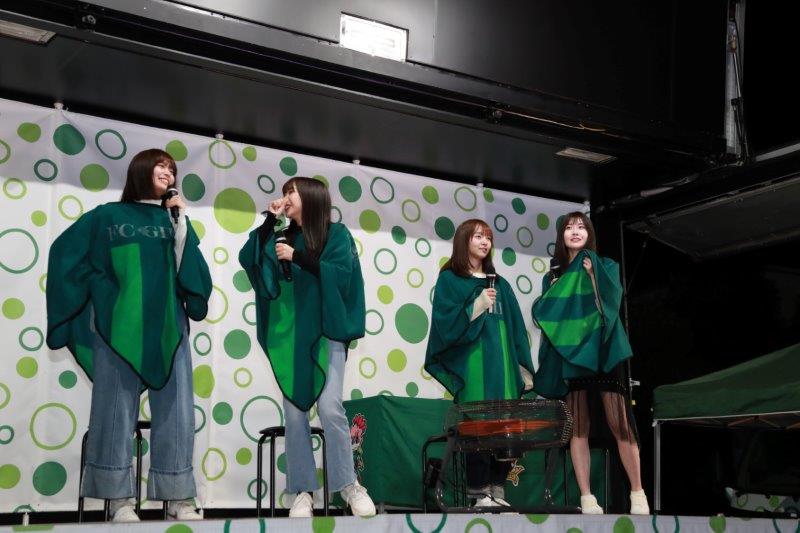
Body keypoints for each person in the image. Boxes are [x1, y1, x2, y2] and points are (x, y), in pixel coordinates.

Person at [46, 148, 212, 522]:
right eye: (161, 166)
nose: (168, 173)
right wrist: (100, 290)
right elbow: (66, 254)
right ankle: (117, 499)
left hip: (170, 329)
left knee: (177, 413)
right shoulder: (107, 216)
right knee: (114, 411)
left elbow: (192, 272)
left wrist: (181, 225)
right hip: (118, 329)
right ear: (140, 170)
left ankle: (178, 497)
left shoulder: (175, 219)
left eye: (172, 169)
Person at [239, 177, 376, 518]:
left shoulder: (336, 234)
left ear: (312, 197)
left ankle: (349, 484)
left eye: (292, 192)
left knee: (330, 408)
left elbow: (342, 275)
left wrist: (298, 256)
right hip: (293, 338)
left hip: (327, 332)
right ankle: (302, 490)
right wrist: (270, 222)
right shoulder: (281, 234)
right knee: (294, 413)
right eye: (284, 192)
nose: (286, 197)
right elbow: (250, 259)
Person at [532, 211, 649, 515]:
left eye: (581, 227)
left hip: (604, 349)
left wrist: (594, 277)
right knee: (578, 426)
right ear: (561, 236)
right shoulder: (553, 276)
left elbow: (612, 303)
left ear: (589, 234)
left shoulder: (605, 265)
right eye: (569, 227)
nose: (575, 231)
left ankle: (638, 492)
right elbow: (546, 316)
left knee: (620, 422)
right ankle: (586, 496)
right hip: (573, 354)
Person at [424, 218, 535, 507]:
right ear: (464, 240)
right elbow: (445, 322)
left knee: (506, 429)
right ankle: (478, 493)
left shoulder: (501, 283)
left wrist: (522, 367)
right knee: (478, 425)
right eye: (477, 236)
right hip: (474, 363)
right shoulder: (450, 279)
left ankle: (498, 491)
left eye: (488, 237)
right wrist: (477, 305)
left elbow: (516, 328)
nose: (485, 242)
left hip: (504, 366)